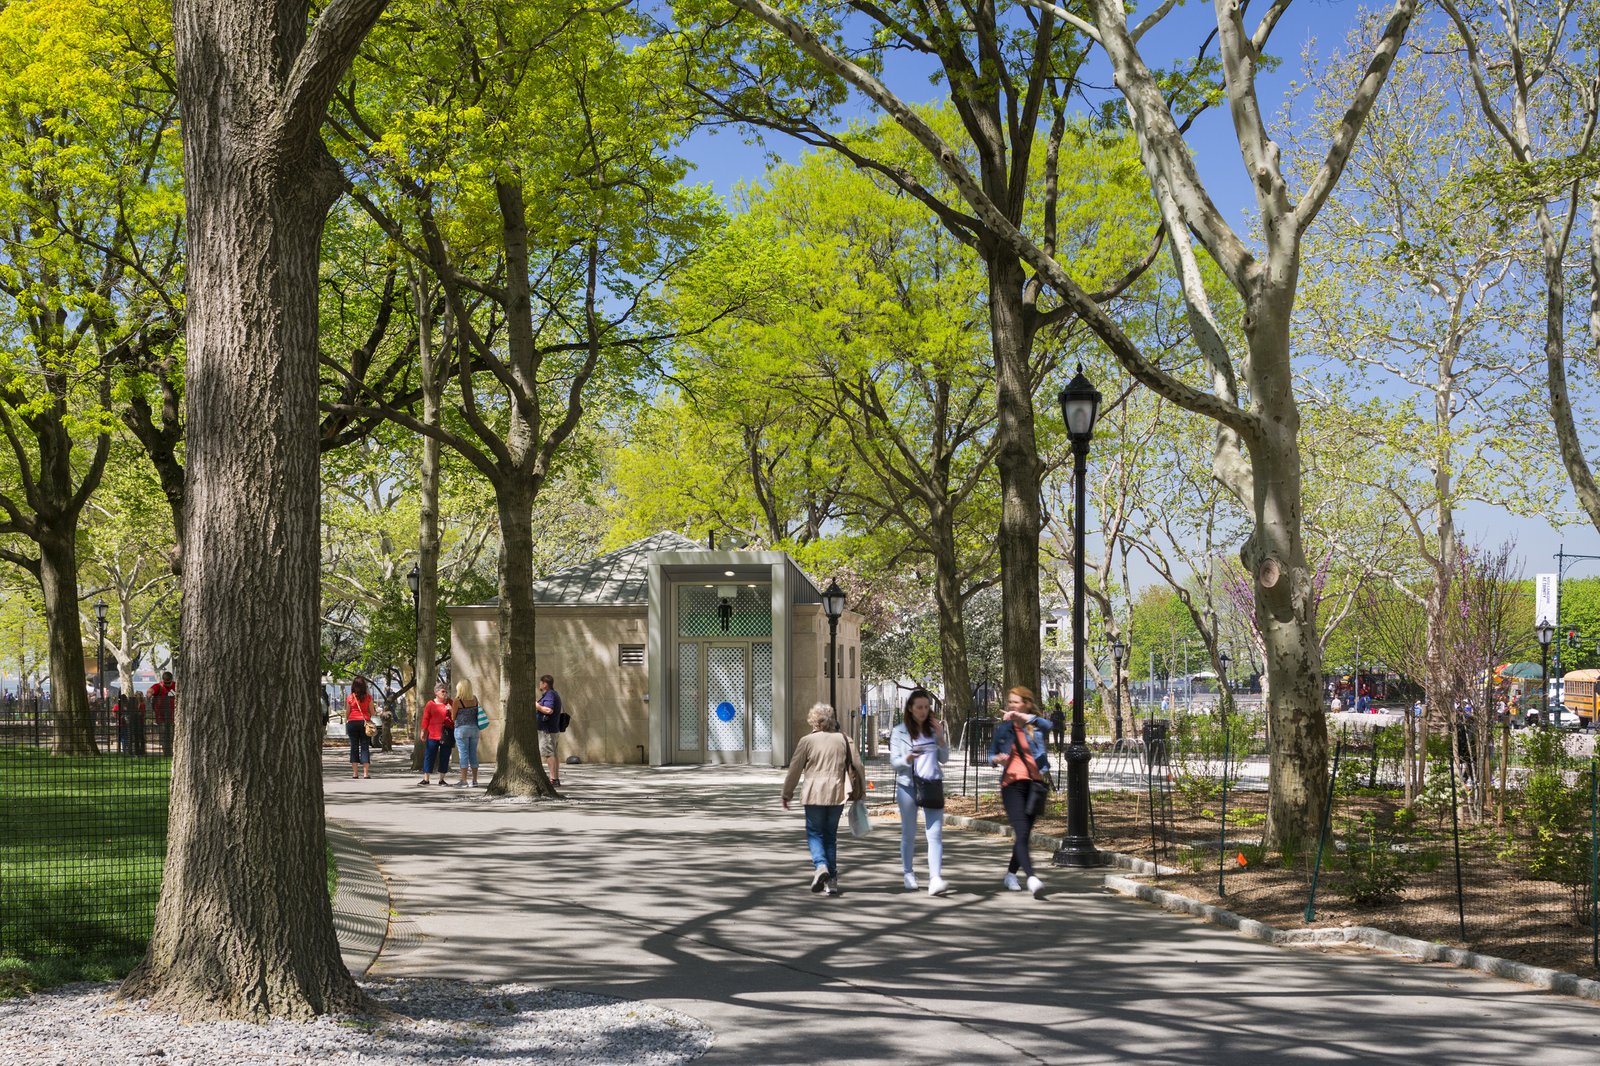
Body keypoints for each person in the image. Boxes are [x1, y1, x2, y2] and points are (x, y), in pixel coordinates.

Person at [781, 702, 866, 897]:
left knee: (814, 833)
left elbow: (794, 769)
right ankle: (832, 880)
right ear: (832, 720)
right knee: (830, 836)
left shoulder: (806, 741)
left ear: (813, 721)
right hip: (837, 793)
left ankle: (821, 866)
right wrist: (861, 793)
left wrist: (787, 794)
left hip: (813, 793)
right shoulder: (845, 740)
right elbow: (858, 766)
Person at [989, 687, 1053, 899]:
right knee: (1022, 830)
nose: (1012, 706)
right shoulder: (1004, 729)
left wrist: (1024, 718)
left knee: (1024, 835)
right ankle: (1032, 878)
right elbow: (992, 754)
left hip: (1034, 785)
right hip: (1012, 784)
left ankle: (1010, 874)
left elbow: (1049, 724)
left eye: (1016, 702)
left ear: (1026, 703)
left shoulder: (1035, 727)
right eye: (1010, 702)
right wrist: (998, 759)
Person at [889, 688, 950, 895]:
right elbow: (894, 762)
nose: (923, 711)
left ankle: (935, 878)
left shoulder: (934, 729)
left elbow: (944, 758)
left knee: (935, 834)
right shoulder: (899, 731)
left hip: (932, 784)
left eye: (926, 707)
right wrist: (908, 758)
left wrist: (941, 738)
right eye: (919, 707)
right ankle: (908, 872)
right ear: (910, 708)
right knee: (909, 832)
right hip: (908, 785)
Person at [419, 683, 453, 786]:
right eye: (443, 691)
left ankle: (441, 779)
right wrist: (423, 731)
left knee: (445, 756)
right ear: (436, 692)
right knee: (429, 755)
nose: (445, 693)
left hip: (446, 734)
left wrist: (451, 711)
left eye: (446, 691)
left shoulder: (450, 702)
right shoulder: (430, 704)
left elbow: (456, 718)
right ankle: (426, 779)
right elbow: (425, 718)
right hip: (433, 734)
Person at [453, 679, 483, 788]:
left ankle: (464, 780)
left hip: (461, 729)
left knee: (463, 754)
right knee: (473, 754)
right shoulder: (474, 699)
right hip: (475, 728)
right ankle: (474, 780)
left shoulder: (457, 701)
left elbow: (453, 717)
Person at [536, 674, 563, 787]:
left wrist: (536, 705)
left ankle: (553, 779)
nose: (539, 684)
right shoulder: (552, 694)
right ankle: (555, 778)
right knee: (553, 754)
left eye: (541, 682)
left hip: (547, 730)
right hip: (552, 729)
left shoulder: (550, 694)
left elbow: (548, 710)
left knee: (549, 754)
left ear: (545, 684)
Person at [346, 676, 375, 780]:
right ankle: (366, 773)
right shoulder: (368, 697)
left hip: (352, 723)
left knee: (354, 747)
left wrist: (347, 720)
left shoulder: (350, 697)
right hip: (364, 722)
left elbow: (347, 712)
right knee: (364, 747)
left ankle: (355, 773)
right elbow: (372, 712)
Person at [148, 671, 175, 756]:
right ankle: (167, 753)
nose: (167, 684)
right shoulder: (158, 686)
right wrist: (149, 694)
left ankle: (173, 752)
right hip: (161, 717)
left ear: (172, 680)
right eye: (165, 682)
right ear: (162, 680)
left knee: (173, 735)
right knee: (164, 735)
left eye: (169, 682)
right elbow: (150, 690)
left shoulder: (176, 685)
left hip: (174, 717)